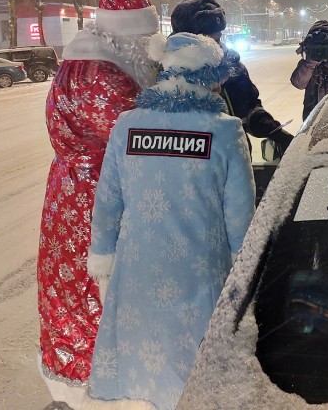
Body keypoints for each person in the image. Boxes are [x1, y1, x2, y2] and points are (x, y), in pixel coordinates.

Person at [84, 32, 255, 410]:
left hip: (137, 270)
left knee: (142, 364)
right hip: (200, 273)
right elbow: (241, 217)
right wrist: (246, 277)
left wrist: (102, 255)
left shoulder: (127, 125)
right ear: (209, 75)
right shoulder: (224, 130)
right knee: (193, 372)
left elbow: (108, 200)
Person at [37, 0, 160, 408]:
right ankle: (104, 389)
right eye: (143, 38)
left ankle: (80, 380)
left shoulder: (82, 64)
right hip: (96, 200)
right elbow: (143, 137)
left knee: (71, 290)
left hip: (70, 193)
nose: (148, 47)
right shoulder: (104, 77)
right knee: (98, 290)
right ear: (126, 34)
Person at [169, 0, 295, 155]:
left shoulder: (233, 68)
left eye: (219, 36)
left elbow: (249, 109)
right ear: (186, 40)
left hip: (236, 158)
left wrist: (273, 130)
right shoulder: (166, 76)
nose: (217, 45)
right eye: (208, 39)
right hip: (193, 169)